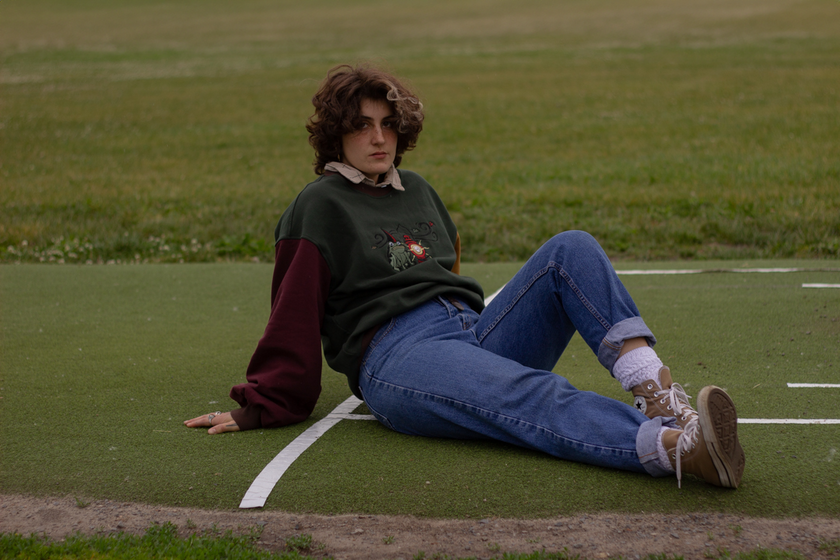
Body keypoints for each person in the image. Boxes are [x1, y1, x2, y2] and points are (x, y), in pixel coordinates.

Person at [185, 63, 745, 488]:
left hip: (469, 333)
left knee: (569, 249)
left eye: (388, 125)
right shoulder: (319, 205)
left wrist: (471, 336)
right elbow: (294, 311)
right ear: (336, 135)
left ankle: (660, 397)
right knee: (535, 394)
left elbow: (445, 272)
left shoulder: (419, 190)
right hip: (398, 357)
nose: (379, 138)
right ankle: (678, 451)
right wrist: (265, 404)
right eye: (361, 127)